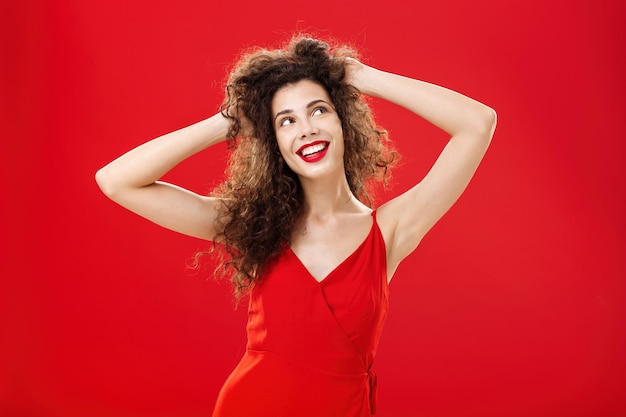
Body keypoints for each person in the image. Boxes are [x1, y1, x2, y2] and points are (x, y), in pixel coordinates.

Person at [95, 34, 496, 417]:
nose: (305, 128)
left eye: (318, 110)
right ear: (274, 142)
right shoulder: (253, 225)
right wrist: (231, 121)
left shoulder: (389, 230)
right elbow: (117, 181)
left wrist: (357, 76)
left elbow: (478, 122)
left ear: (343, 121)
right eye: (285, 121)